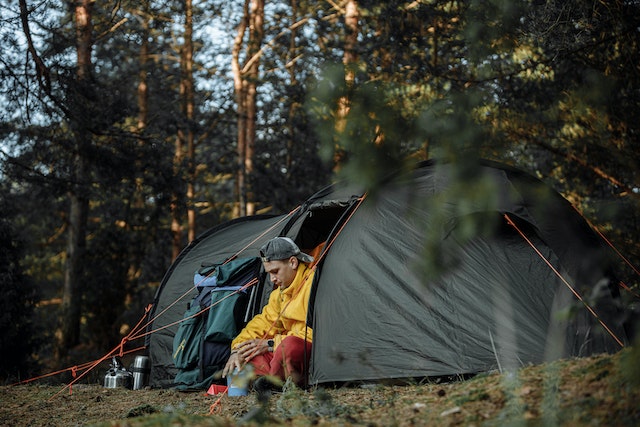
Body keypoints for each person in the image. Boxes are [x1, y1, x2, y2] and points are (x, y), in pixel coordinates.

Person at [222, 236, 315, 389]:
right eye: (269, 273)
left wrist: (272, 344)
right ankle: (269, 381)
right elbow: (264, 322)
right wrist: (238, 349)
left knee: (289, 346)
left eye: (275, 271)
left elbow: (318, 333)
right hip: (281, 353)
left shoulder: (313, 284)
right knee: (247, 357)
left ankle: (276, 383)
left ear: (293, 262)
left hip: (306, 351)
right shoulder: (279, 294)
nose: (272, 279)